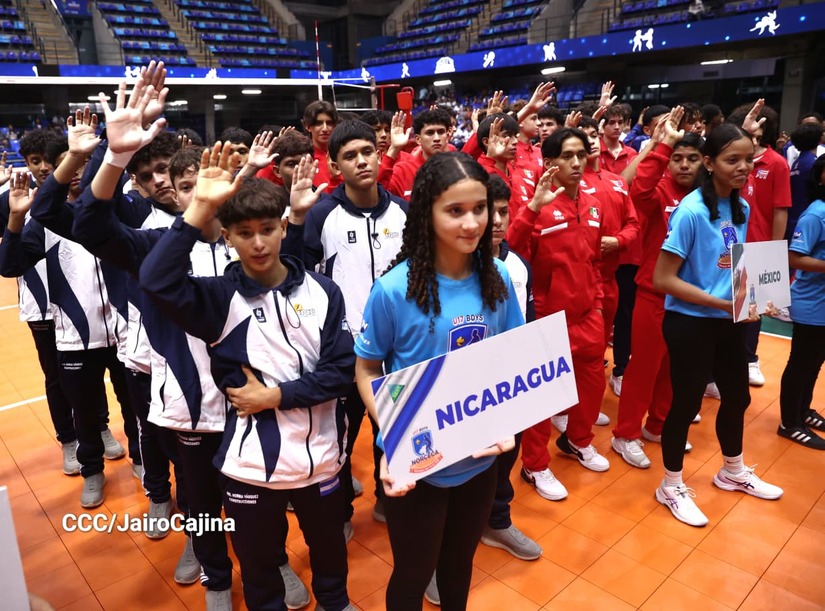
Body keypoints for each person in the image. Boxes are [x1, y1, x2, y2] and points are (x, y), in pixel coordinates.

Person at [139, 145, 357, 611]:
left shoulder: (324, 291)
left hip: (323, 457)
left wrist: (276, 396)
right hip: (250, 467)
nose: (258, 243)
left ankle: (334, 603)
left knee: (331, 558)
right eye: (244, 233)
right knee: (259, 574)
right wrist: (199, 208)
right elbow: (155, 281)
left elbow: (341, 373)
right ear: (227, 237)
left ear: (283, 227)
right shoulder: (217, 299)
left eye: (267, 229)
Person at [354, 152, 522, 610]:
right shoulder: (393, 290)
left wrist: (508, 418)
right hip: (417, 464)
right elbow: (366, 369)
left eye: (480, 208)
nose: (472, 223)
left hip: (479, 462)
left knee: (458, 567)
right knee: (413, 574)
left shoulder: (497, 276)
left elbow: (511, 356)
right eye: (455, 211)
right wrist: (394, 433)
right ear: (427, 214)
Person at [652, 123, 783, 527]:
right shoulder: (691, 212)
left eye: (748, 159)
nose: (743, 167)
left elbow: (734, 264)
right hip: (690, 322)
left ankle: (732, 470)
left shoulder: (740, 206)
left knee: (738, 398)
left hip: (728, 319)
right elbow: (663, 279)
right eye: (732, 160)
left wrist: (755, 297)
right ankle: (671, 485)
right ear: (709, 163)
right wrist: (720, 302)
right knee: (686, 404)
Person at [300, 120, 408, 532]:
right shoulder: (321, 215)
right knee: (340, 437)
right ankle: (342, 510)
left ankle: (388, 500)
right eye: (350, 156)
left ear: (379, 156)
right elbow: (304, 277)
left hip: (397, 348)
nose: (361, 161)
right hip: (345, 351)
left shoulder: (403, 211)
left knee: (394, 427)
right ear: (334, 165)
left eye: (367, 152)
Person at [509, 128, 611, 503]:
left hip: (588, 316)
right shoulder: (536, 208)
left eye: (581, 155)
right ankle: (534, 465)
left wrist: (597, 304)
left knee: (592, 387)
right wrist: (532, 209)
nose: (576, 162)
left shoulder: (594, 204)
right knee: (542, 398)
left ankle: (577, 441)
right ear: (550, 162)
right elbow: (512, 252)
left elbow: (594, 261)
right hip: (548, 319)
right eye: (567, 156)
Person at [612, 108, 704, 468]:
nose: (684, 165)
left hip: (690, 297)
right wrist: (663, 147)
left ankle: (658, 425)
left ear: (705, 162)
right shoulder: (660, 190)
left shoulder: (708, 199)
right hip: (653, 294)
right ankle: (625, 434)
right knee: (644, 367)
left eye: (691, 158)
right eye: (678, 159)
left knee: (674, 367)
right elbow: (637, 190)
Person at [480, 174, 542, 561]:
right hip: (466, 384)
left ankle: (497, 520)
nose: (498, 221)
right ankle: (448, 539)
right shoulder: (450, 267)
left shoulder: (518, 266)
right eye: (489, 211)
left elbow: (528, 322)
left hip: (507, 380)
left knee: (507, 453)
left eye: (503, 211)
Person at [728, 100, 790, 387]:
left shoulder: (776, 163)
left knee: (754, 309)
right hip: (728, 246)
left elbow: (780, 209)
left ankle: (750, 359)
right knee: (725, 308)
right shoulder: (729, 159)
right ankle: (718, 367)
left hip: (758, 245)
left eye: (756, 134)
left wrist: (774, 252)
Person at [778, 154, 825, 449]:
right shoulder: (816, 214)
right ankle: (789, 423)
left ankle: (803, 411)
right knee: (801, 364)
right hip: (811, 304)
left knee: (814, 363)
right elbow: (794, 257)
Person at [303, 99, 342, 194]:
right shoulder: (303, 158)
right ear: (308, 126)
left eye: (329, 123)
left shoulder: (344, 155)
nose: (325, 128)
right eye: (318, 123)